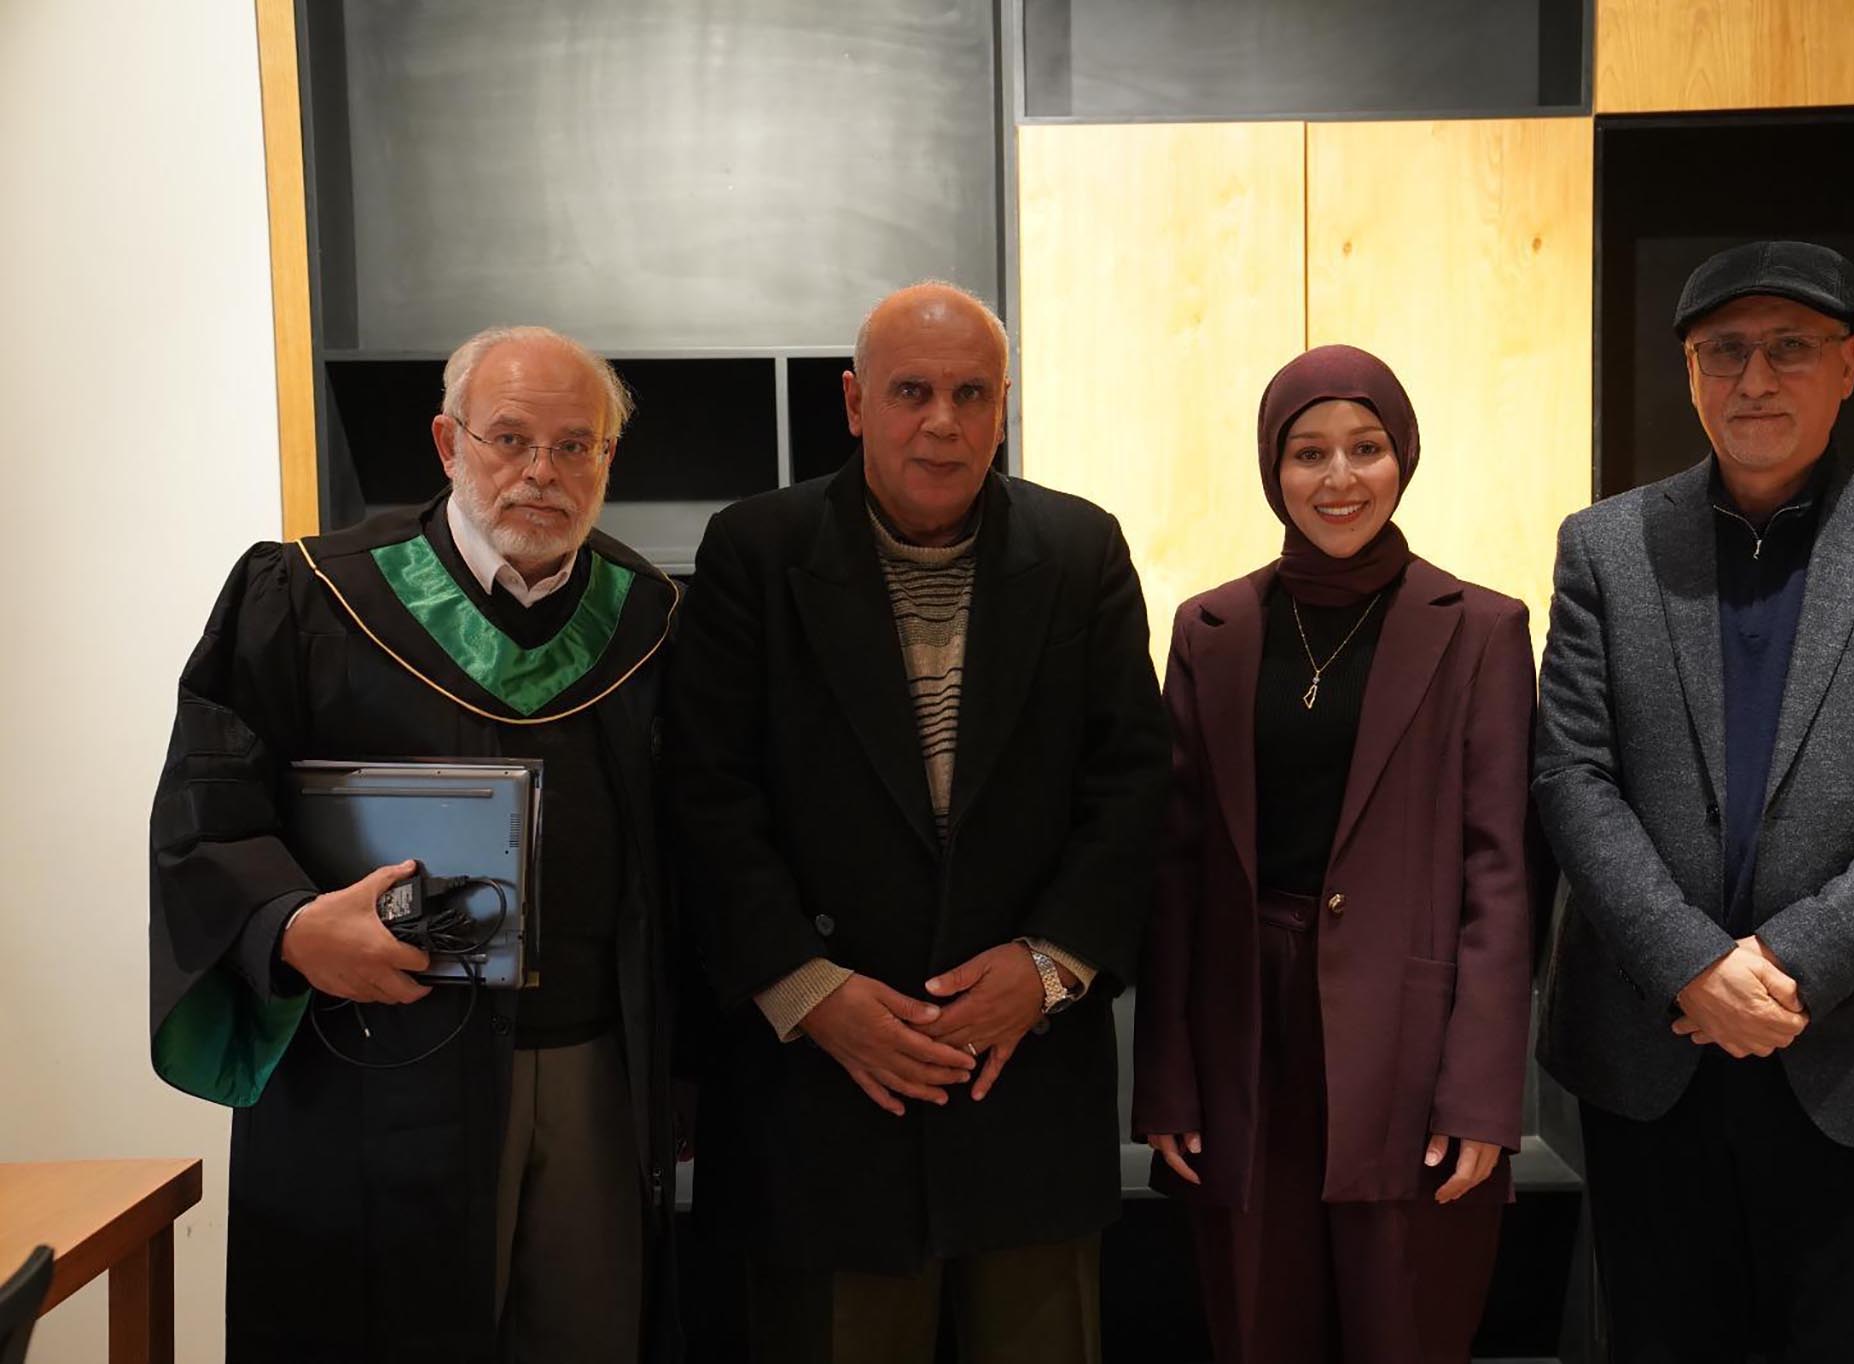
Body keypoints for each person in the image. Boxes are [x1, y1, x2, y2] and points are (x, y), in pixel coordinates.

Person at [148, 325, 689, 1363]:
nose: (541, 472)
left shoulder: (652, 620)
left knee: (587, 1331)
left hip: (592, 1068)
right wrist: (290, 928)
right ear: (448, 442)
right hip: (373, 1064)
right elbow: (206, 806)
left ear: (607, 459)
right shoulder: (310, 595)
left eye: (574, 445)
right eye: (509, 438)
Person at [1534, 240, 1854, 1362]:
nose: (1753, 379)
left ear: (1847, 365)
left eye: (1789, 347)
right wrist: (1691, 964)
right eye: (1724, 351)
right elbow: (1570, 773)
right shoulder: (1605, 546)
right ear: (1690, 372)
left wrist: (1789, 963)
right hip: (1650, 1051)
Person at [667, 281, 1168, 1363]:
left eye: (970, 393)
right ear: (855, 403)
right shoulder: (754, 550)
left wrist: (1049, 967)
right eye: (910, 392)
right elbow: (706, 795)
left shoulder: (1081, 549)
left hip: (1025, 1080)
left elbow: (1133, 783)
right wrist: (807, 990)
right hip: (821, 1090)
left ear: (1002, 407)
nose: (942, 421)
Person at [1132, 344, 1535, 1363]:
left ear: (1404, 457)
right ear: (1272, 468)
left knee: (1405, 1326)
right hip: (1242, 1035)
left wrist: (1483, 1091)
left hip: (1412, 1041)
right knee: (1256, 1324)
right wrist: (1166, 1076)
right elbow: (1173, 870)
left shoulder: (1481, 629)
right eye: (1307, 452)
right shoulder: (1211, 628)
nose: (1338, 477)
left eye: (1365, 447)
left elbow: (1500, 872)